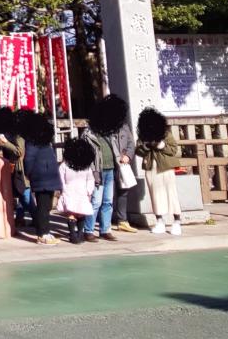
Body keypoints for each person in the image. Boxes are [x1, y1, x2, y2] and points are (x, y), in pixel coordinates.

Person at [87, 95, 135, 239]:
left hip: (112, 168)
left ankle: (105, 229)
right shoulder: (90, 131)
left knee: (108, 201)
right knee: (96, 201)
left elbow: (130, 144)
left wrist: (126, 155)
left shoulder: (116, 128)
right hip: (98, 170)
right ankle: (88, 230)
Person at [136, 107, 184, 235]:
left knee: (171, 194)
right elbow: (138, 151)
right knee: (155, 195)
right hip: (151, 168)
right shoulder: (143, 136)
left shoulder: (166, 134)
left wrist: (160, 145)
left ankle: (177, 221)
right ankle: (160, 221)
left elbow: (173, 149)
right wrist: (146, 146)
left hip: (166, 167)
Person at [19, 112, 61, 244]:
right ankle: (43, 234)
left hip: (50, 177)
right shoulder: (33, 142)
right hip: (41, 177)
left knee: (47, 206)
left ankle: (46, 231)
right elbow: (29, 160)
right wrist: (30, 174)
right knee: (43, 207)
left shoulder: (45, 141)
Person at [58, 136, 98, 245]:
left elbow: (90, 179)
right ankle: (73, 234)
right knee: (73, 213)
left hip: (81, 192)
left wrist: (89, 191)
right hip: (70, 191)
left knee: (81, 213)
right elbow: (61, 179)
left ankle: (79, 234)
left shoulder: (85, 166)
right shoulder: (65, 165)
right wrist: (64, 190)